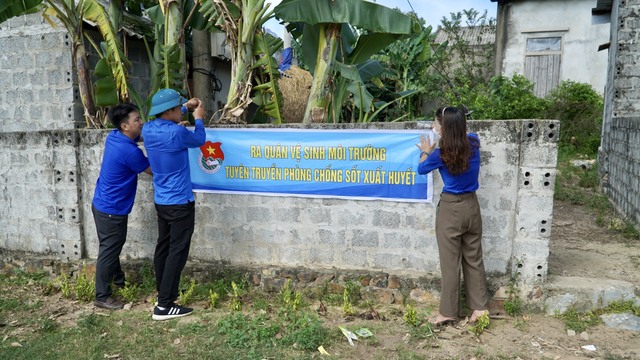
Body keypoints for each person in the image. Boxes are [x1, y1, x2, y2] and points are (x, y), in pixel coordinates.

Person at [416, 106, 489, 326]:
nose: (433, 127)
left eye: (435, 123)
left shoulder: (440, 153)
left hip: (451, 209)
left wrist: (426, 150)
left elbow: (421, 169)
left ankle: (448, 312)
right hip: (472, 206)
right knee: (474, 258)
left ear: (444, 127)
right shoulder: (474, 142)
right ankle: (479, 309)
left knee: (450, 263)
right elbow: (467, 133)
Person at [142, 88, 206, 320]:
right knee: (177, 253)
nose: (180, 112)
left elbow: (169, 116)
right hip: (180, 202)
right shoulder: (177, 134)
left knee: (164, 247)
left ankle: (163, 293)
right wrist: (198, 119)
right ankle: (165, 305)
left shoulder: (148, 129)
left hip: (162, 201)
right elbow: (199, 139)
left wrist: (184, 107)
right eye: (176, 108)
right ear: (168, 111)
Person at [92, 103, 151, 310]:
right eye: (137, 120)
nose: (141, 122)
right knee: (109, 249)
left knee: (111, 246)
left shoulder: (115, 137)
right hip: (112, 209)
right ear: (125, 126)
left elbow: (140, 136)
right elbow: (152, 170)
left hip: (101, 204)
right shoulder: (129, 151)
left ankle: (118, 280)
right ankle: (102, 296)